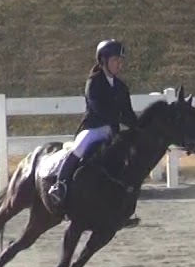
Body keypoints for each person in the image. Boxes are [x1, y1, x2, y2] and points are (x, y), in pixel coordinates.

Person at [47, 39, 140, 224]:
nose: (119, 64)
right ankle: (59, 185)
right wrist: (118, 122)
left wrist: (140, 130)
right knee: (80, 147)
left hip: (113, 131)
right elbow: (98, 108)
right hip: (94, 128)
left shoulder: (121, 87)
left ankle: (122, 206)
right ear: (103, 60)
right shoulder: (94, 82)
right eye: (115, 60)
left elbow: (129, 114)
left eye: (121, 61)